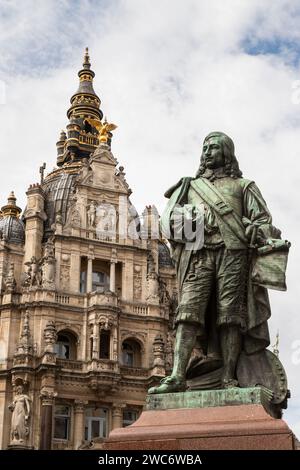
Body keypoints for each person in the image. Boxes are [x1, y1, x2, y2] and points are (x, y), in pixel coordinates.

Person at [149, 131, 288, 394]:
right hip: (198, 255)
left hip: (233, 254)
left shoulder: (243, 186)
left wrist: (255, 231)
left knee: (230, 316)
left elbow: (264, 223)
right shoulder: (188, 187)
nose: (207, 152)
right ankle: (177, 375)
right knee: (187, 312)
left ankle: (228, 377)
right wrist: (188, 217)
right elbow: (165, 222)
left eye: (213, 147)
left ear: (226, 153)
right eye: (205, 148)